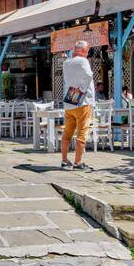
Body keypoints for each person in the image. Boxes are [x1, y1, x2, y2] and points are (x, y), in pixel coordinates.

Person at [60, 40, 96, 170]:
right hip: (83, 101)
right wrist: (82, 88)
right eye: (86, 50)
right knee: (82, 132)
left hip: (69, 101)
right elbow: (88, 75)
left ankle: (64, 160)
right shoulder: (82, 61)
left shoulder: (66, 62)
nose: (87, 53)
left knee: (67, 132)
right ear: (81, 50)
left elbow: (67, 80)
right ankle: (78, 162)